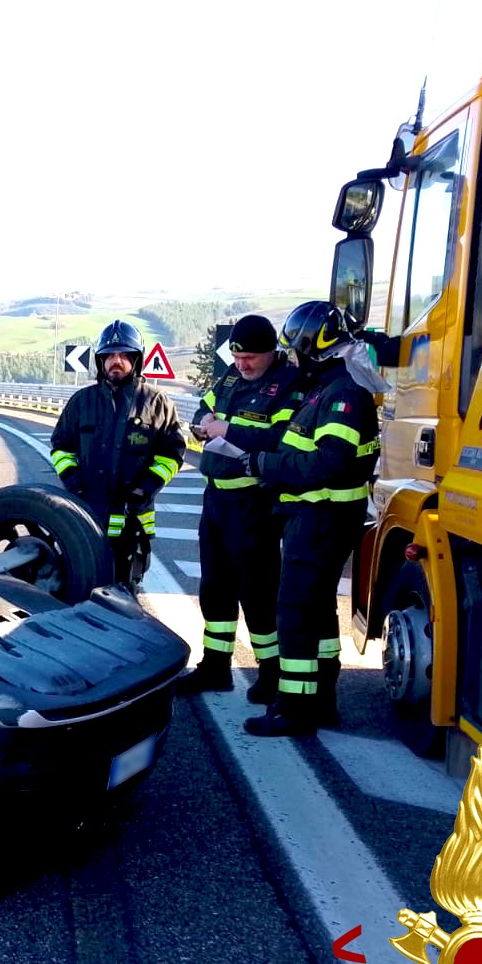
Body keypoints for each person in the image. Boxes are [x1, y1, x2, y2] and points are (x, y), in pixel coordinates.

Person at [241, 301, 381, 737]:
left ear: (310, 347)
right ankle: (319, 700)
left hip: (321, 517)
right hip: (318, 516)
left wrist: (264, 465)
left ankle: (295, 709)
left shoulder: (342, 394)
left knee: (297, 612)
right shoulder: (327, 387)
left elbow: (327, 464)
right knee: (318, 612)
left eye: (293, 349)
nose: (291, 357)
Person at [176, 314, 306, 699]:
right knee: (215, 589)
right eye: (237, 356)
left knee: (258, 593)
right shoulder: (231, 377)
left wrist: (228, 430)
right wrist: (205, 422)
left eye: (250, 357)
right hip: (216, 498)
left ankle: (271, 674)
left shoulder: (288, 385)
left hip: (255, 502)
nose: (243, 364)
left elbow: (282, 437)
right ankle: (215, 667)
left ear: (270, 353)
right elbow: (205, 408)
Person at [49, 320, 187, 590]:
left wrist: (144, 489)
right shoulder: (81, 402)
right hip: (83, 516)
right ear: (100, 361)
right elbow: (61, 447)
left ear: (136, 359)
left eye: (124, 355)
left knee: (123, 597)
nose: (116, 361)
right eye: (110, 355)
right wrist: (74, 482)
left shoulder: (156, 404)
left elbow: (172, 454)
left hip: (132, 523)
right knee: (74, 588)